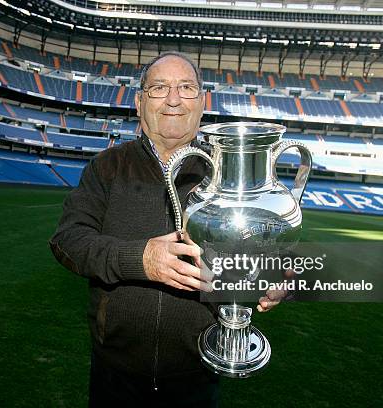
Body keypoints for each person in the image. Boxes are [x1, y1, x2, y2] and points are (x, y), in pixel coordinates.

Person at [49, 52, 284, 407]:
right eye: (159, 88)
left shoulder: (231, 177)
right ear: (139, 103)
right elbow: (68, 241)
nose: (173, 99)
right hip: (115, 374)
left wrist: (277, 274)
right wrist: (139, 259)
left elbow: (268, 246)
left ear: (202, 103)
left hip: (199, 373)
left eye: (186, 88)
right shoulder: (107, 167)